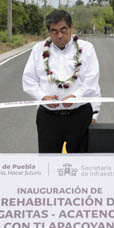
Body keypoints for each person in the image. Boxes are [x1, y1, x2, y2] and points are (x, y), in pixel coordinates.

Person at [22, 9, 101, 153]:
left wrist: (76, 97)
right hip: (48, 117)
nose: (59, 36)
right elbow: (28, 80)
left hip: (79, 115)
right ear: (48, 32)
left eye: (63, 30)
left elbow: (91, 80)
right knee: (48, 165)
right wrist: (43, 97)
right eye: (54, 31)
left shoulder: (86, 49)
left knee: (80, 164)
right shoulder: (38, 50)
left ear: (71, 28)